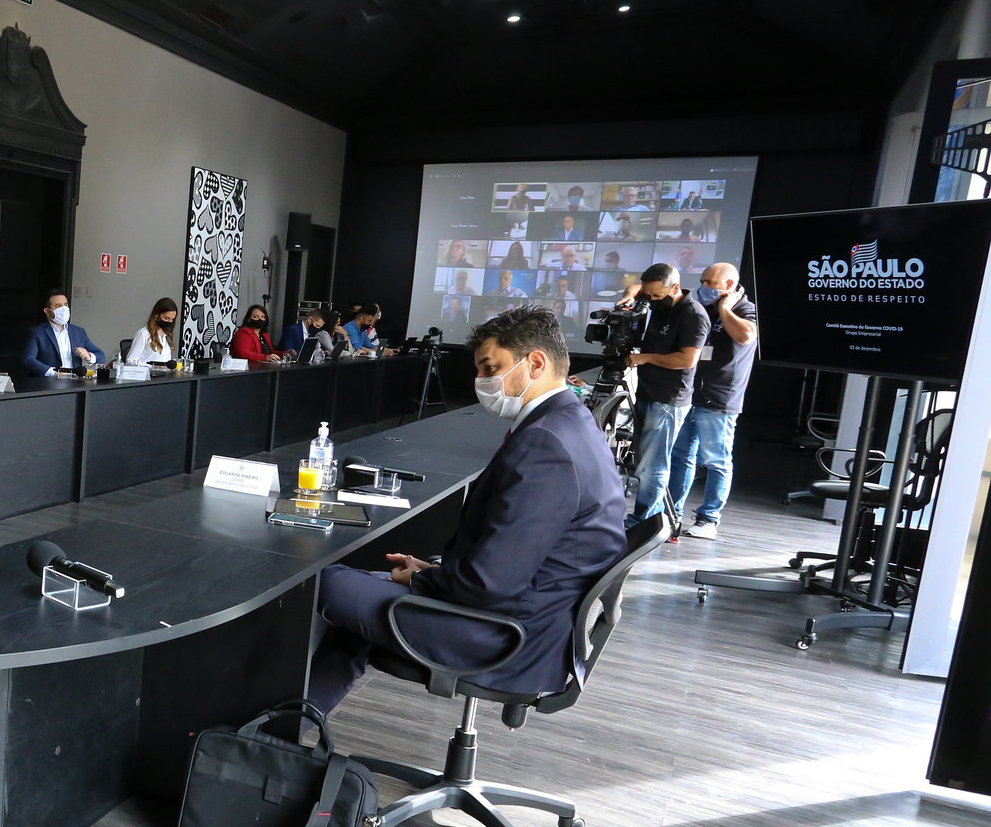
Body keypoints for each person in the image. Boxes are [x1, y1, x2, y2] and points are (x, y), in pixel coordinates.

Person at [305, 306, 626, 713]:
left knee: (323, 583)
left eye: (491, 367)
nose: (481, 381)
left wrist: (423, 580)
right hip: (524, 619)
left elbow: (491, 583)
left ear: (536, 363)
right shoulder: (573, 423)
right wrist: (434, 571)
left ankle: (280, 727)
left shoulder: (547, 444)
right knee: (360, 595)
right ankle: (291, 725)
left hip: (505, 637)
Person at [669, 262, 759, 540]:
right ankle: (672, 514)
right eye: (703, 281)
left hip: (720, 398)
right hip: (690, 394)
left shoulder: (745, 308)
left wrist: (725, 309)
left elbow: (745, 336)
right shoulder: (702, 307)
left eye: (710, 283)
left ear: (729, 285)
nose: (704, 287)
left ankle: (709, 519)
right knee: (681, 456)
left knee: (716, 460)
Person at [625, 262, 710, 530]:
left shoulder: (693, 315)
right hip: (647, 392)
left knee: (652, 467)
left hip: (667, 400)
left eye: (656, 296)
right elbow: (638, 288)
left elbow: (687, 359)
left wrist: (645, 358)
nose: (650, 300)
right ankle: (646, 518)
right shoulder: (657, 296)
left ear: (675, 288)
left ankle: (642, 523)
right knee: (645, 463)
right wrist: (629, 295)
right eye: (648, 295)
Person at [21, 289, 100, 374]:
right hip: (49, 381)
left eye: (66, 305)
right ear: (47, 311)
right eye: (58, 306)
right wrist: (53, 373)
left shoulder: (78, 332)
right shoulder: (37, 333)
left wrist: (89, 357)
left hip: (75, 381)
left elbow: (100, 355)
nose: (64, 309)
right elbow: (28, 359)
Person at [131, 297, 180, 363]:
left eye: (172, 319)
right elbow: (131, 361)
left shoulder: (166, 336)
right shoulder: (143, 334)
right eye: (166, 318)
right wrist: (150, 367)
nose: (170, 322)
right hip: (148, 369)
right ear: (157, 315)